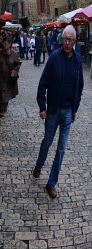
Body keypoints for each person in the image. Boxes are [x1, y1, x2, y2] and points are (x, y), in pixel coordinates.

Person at [33, 25, 84, 199]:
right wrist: (42, 107)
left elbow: (79, 86)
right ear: (61, 40)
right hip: (53, 110)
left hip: (68, 111)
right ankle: (39, 165)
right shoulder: (54, 58)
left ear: (75, 41)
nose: (67, 43)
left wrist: (75, 109)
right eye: (65, 39)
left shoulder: (77, 61)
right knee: (47, 141)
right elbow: (43, 83)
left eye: (70, 40)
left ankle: (51, 183)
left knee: (61, 149)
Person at [0, 34, 21, 117]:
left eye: (5, 44)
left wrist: (14, 71)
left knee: (6, 93)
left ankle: (2, 109)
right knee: (1, 93)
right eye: (3, 43)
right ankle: (3, 107)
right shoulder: (1, 53)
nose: (4, 45)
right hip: (1, 77)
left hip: (9, 78)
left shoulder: (14, 54)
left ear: (10, 44)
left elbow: (18, 63)